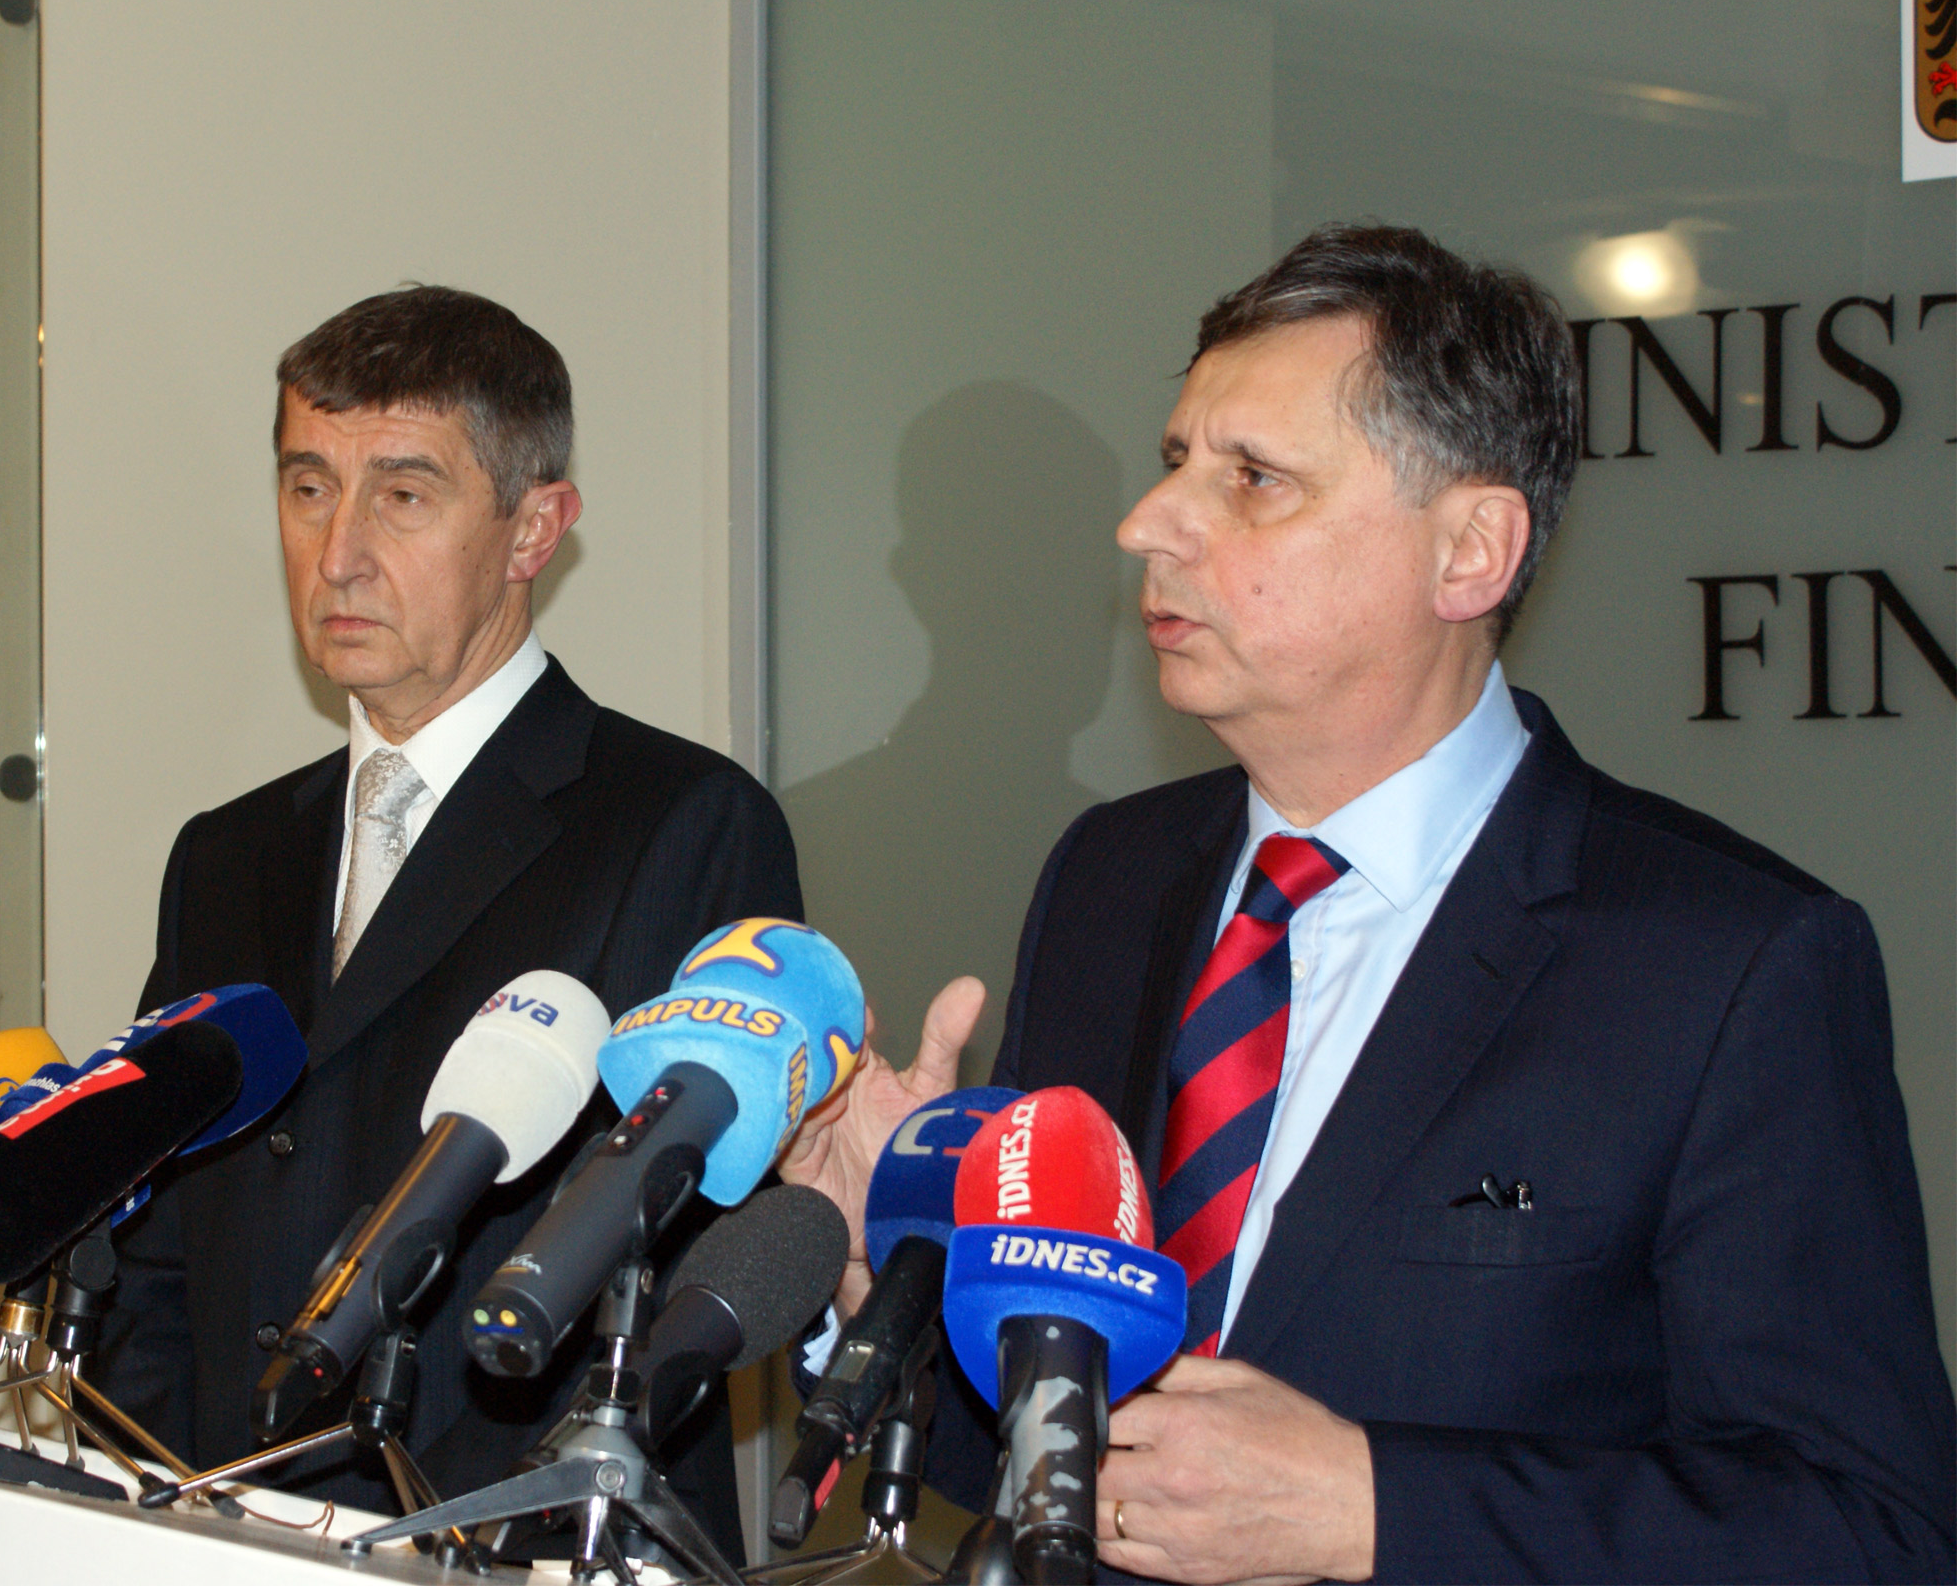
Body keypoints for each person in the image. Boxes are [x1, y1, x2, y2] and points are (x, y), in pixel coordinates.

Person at [781, 225, 1954, 1582]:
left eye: (1252, 479)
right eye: (1175, 460)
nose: (1146, 524)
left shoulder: (1729, 962)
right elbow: (1060, 1465)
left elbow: (1868, 1532)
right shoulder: (1111, 877)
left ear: (1470, 553)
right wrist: (892, 1285)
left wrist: (1371, 1506)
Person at [96, 286, 800, 1548]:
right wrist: (157, 1519)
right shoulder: (226, 853)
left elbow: (673, 1279)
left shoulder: (679, 820)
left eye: (403, 495)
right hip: (220, 1531)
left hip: (509, 1540)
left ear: (533, 530)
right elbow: (159, 1250)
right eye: (308, 487)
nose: (337, 553)